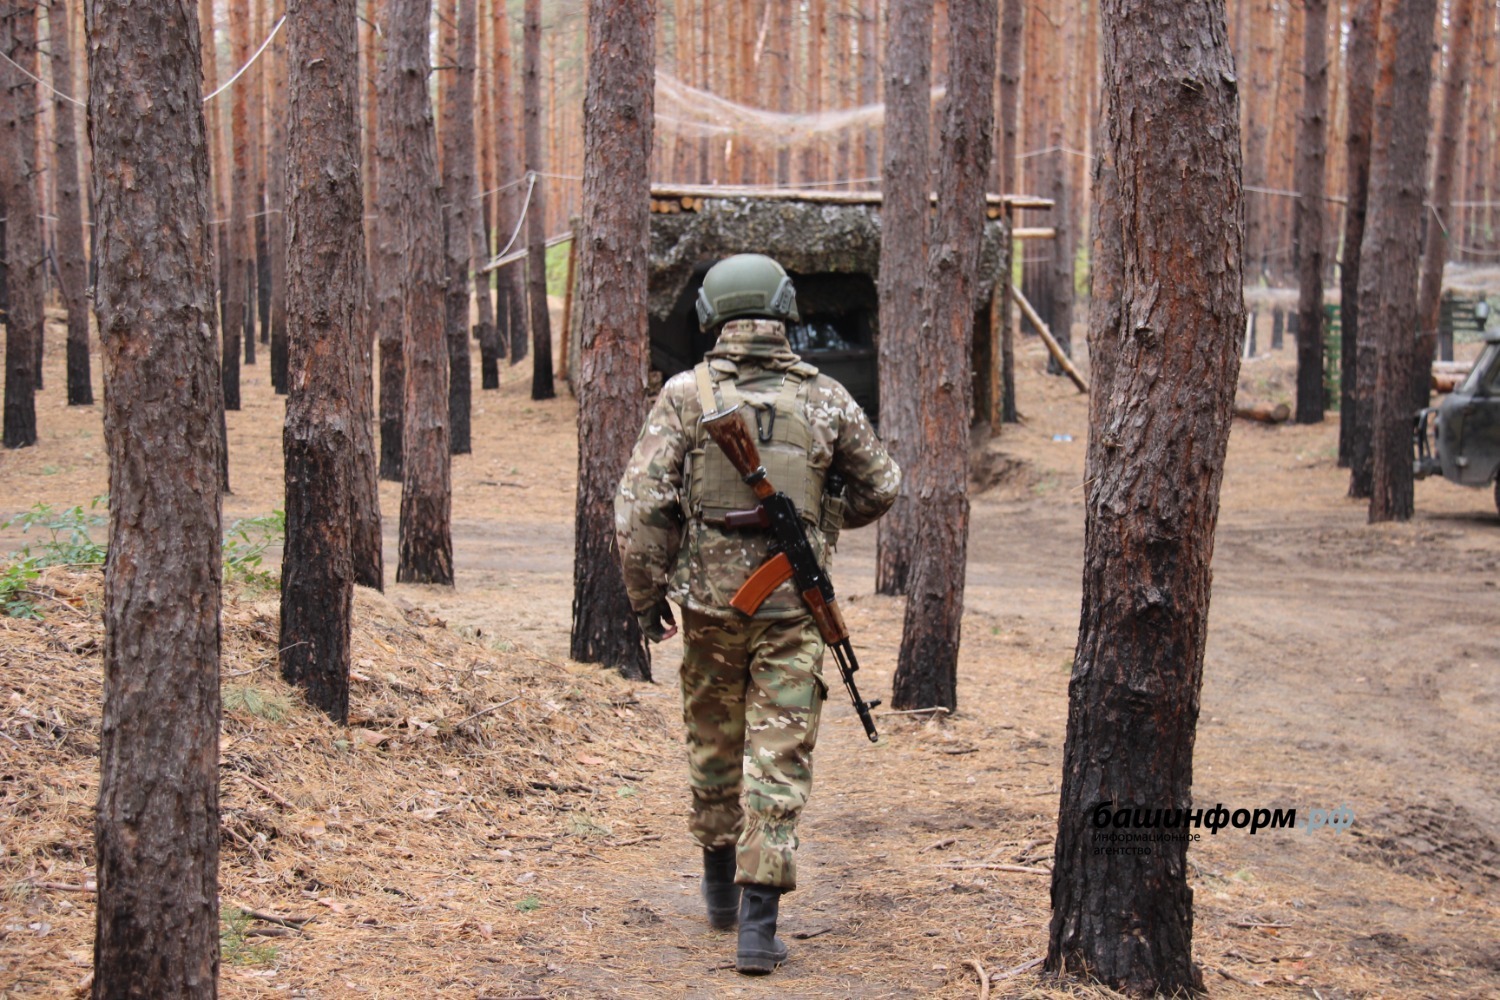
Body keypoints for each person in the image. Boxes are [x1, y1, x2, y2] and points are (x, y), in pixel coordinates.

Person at [614, 253, 900, 975]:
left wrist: (648, 600)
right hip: (793, 613)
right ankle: (755, 922)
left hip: (709, 608)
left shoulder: (685, 393)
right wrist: (826, 514)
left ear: (713, 316)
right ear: (784, 313)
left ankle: (717, 895)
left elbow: (640, 507)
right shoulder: (826, 397)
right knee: (777, 756)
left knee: (713, 742)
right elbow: (883, 486)